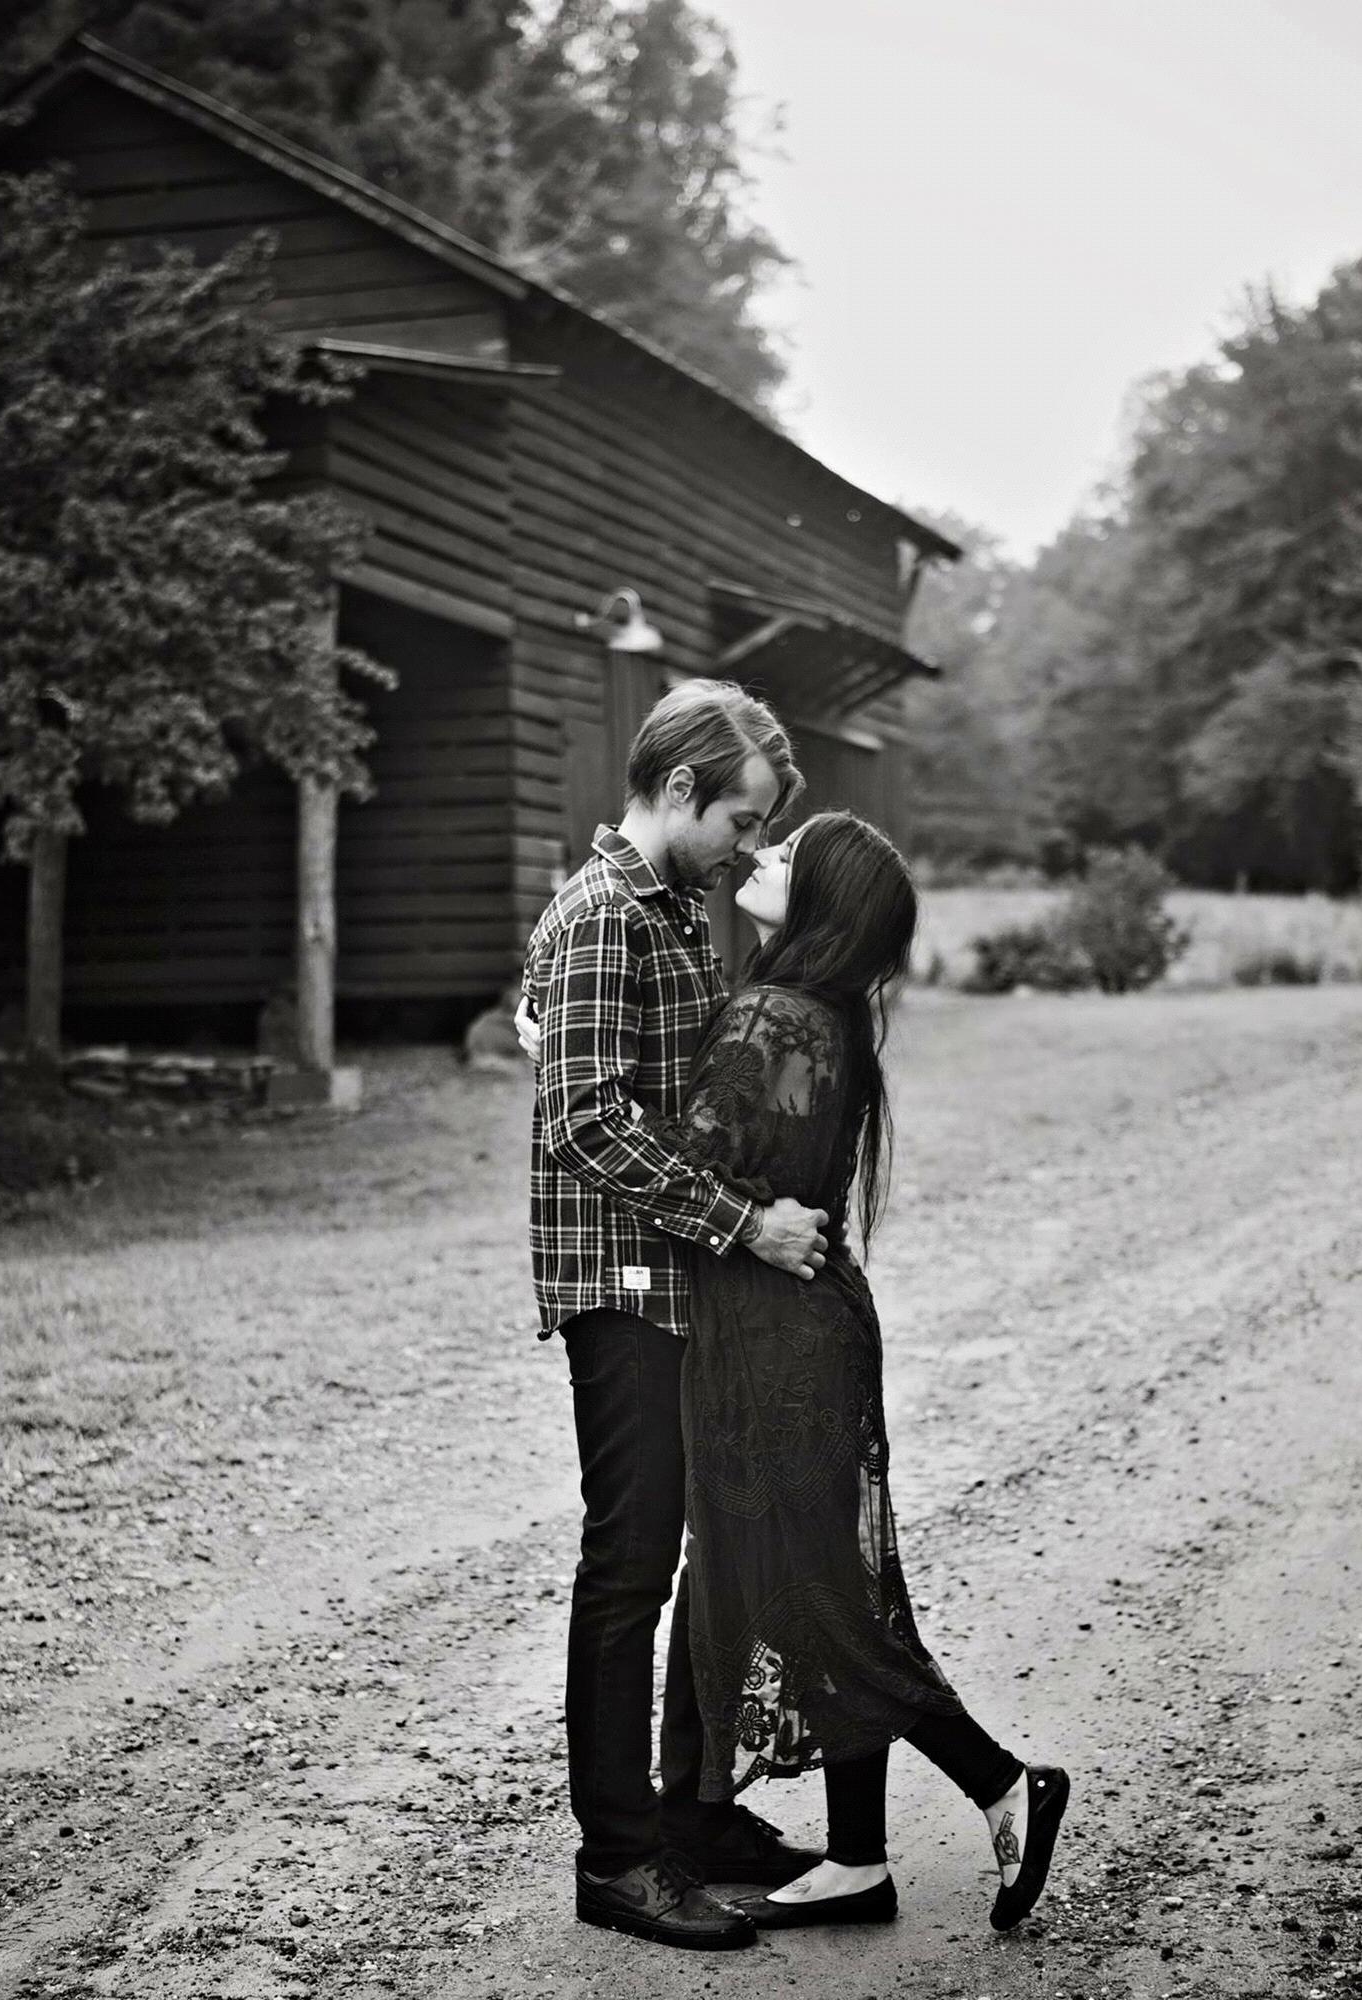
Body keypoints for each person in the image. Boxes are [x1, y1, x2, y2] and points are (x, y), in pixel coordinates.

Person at [647, 809, 1070, 1932]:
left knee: (819, 1596)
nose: (763, 856)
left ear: (823, 901)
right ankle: (855, 1859)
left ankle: (1000, 1781)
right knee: (828, 1577)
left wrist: (568, 1061)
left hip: (774, 1338)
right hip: (802, 1325)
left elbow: (682, 1170)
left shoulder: (773, 1014)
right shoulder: (820, 1012)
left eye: (790, 855)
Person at [520, 680, 834, 1954]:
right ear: (683, 789)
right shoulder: (605, 911)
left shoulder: (661, 909)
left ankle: (691, 1816)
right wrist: (745, 1223)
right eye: (742, 822)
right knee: (632, 1560)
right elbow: (586, 1121)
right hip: (623, 1285)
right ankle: (616, 1857)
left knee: (710, 1555)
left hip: (678, 1276)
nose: (750, 850)